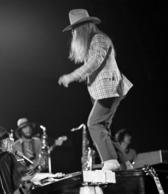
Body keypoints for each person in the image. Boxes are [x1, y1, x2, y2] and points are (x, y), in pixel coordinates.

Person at [58, 9, 133, 171]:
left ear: (84, 27)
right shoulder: (92, 41)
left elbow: (95, 61)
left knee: (94, 123)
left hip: (109, 89)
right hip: (104, 91)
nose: (75, 34)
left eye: (76, 30)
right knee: (104, 129)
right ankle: (124, 163)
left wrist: (72, 75)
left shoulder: (99, 38)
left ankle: (111, 161)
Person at [0, 125, 28, 194]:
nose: (12, 143)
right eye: (9, 139)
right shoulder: (6, 157)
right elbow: (9, 189)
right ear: (4, 142)